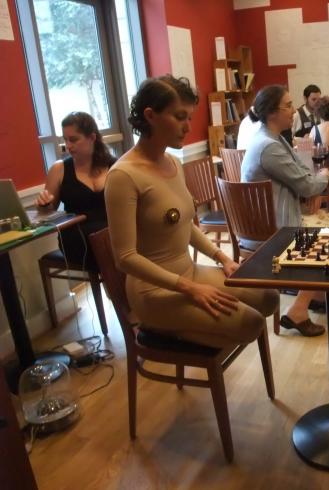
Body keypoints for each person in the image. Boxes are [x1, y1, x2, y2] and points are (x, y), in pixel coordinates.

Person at [104, 75, 279, 348]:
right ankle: (164, 333)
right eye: (180, 117)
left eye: (189, 117)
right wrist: (191, 290)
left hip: (189, 272)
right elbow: (125, 258)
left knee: (269, 297)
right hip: (152, 292)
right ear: (150, 115)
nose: (188, 126)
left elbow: (185, 224)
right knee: (250, 322)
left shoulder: (173, 162)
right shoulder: (123, 176)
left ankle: (192, 327)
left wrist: (223, 258)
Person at [241, 85, 329, 336]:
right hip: (272, 229)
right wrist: (322, 177)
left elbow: (302, 176)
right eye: (288, 106)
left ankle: (316, 296)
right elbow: (306, 182)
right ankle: (298, 311)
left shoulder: (272, 138)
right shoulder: (269, 147)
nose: (294, 111)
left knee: (324, 231)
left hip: (271, 219)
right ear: (272, 112)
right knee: (327, 238)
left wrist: (313, 188)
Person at [36, 112, 116, 270]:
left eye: (73, 139)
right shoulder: (59, 169)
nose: (68, 145)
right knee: (110, 247)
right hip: (77, 238)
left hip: (111, 233)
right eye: (65, 140)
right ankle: (122, 291)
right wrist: (44, 205)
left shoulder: (114, 165)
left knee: (115, 242)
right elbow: (46, 212)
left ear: (92, 138)